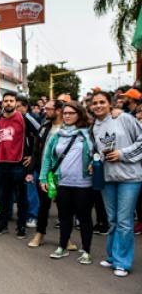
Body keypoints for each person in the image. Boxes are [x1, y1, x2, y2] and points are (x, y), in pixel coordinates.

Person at [91, 91, 142, 277]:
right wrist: (94, 163)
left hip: (130, 177)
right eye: (94, 103)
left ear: (110, 103)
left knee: (124, 222)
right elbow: (98, 151)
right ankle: (113, 256)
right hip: (108, 178)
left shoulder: (125, 118)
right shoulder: (95, 126)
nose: (98, 106)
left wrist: (122, 154)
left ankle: (122, 263)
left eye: (102, 102)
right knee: (112, 220)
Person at [40, 102, 94, 264]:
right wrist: (43, 178)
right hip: (62, 183)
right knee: (64, 217)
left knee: (84, 218)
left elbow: (98, 153)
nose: (67, 116)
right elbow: (47, 158)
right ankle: (62, 247)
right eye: (65, 113)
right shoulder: (57, 135)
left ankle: (86, 250)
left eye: (72, 113)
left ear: (80, 114)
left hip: (84, 184)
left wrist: (94, 161)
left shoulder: (88, 134)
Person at [0, 91, 38, 239]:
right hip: (2, 164)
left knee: (21, 197)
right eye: (6, 101)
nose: (9, 103)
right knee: (3, 197)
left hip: (18, 164)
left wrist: (31, 155)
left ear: (15, 103)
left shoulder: (23, 119)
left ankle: (21, 226)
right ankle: (3, 224)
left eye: (12, 101)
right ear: (2, 103)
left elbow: (38, 135)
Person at [28, 100, 64, 248]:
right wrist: (30, 170)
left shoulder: (70, 128)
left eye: (49, 109)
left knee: (64, 207)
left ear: (59, 110)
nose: (45, 111)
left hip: (64, 174)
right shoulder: (44, 126)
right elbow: (36, 150)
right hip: (45, 173)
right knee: (44, 206)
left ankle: (65, 238)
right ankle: (40, 234)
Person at [16, 96, 41, 229]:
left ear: (25, 107)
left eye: (18, 106)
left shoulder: (30, 118)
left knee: (30, 188)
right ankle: (24, 214)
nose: (16, 109)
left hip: (29, 161)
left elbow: (41, 136)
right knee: (21, 190)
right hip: (16, 160)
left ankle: (33, 216)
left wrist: (32, 156)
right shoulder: (12, 118)